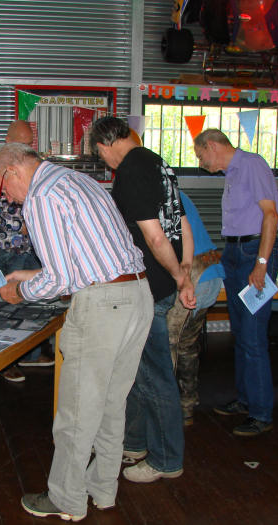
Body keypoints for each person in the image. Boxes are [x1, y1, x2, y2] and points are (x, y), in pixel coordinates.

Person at [0, 142, 153, 522]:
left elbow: (62, 278)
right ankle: (102, 490)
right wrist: (31, 275)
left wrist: (20, 291)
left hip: (103, 306)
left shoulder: (40, 197)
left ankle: (66, 500)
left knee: (77, 413)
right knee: (112, 404)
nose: (9, 200)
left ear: (12, 171)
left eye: (2, 189)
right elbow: (83, 258)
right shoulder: (80, 181)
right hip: (136, 294)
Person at [90, 116, 196, 484]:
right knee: (133, 369)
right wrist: (183, 271)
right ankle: (134, 442)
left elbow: (154, 237)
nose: (105, 162)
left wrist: (177, 273)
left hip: (148, 287)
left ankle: (167, 459)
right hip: (162, 282)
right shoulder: (158, 161)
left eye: (100, 155)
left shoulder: (131, 171)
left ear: (105, 145)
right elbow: (180, 222)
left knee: (154, 375)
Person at [193, 128, 278, 437]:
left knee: (254, 337)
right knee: (242, 334)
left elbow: (270, 216)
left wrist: (261, 263)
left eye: (201, 155)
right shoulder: (231, 173)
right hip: (234, 250)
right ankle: (246, 400)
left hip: (251, 252)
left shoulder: (252, 164)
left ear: (213, 145)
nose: (200, 161)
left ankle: (261, 413)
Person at [0, 120, 52, 382]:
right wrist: (20, 226)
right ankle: (8, 361)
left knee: (38, 302)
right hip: (7, 248)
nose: (30, 149)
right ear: (9, 142)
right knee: (12, 304)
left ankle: (36, 353)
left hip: (34, 246)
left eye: (31, 143)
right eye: (25, 144)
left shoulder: (30, 168)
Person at [166, 191, 225, 427]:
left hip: (194, 276)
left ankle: (166, 411)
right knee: (186, 344)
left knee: (168, 344)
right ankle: (186, 405)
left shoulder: (153, 196)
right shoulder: (177, 193)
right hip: (210, 273)